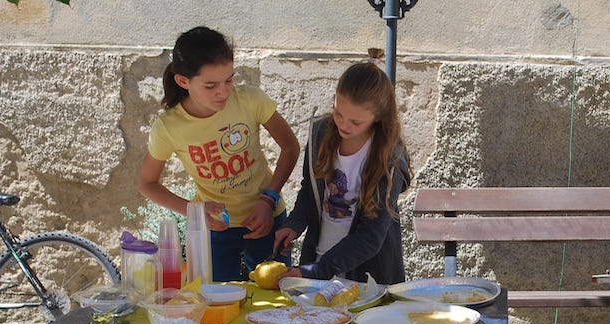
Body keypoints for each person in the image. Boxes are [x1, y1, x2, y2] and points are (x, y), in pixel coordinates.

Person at [138, 26, 299, 281]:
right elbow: (147, 183)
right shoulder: (169, 127)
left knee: (273, 302)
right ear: (183, 81)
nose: (223, 92)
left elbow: (290, 147)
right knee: (217, 304)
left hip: (267, 219)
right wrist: (194, 211)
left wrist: (268, 199)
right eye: (210, 85)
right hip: (216, 230)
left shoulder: (249, 100)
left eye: (229, 80)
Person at [274, 60, 412, 285]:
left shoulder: (390, 158)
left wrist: (317, 270)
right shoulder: (320, 132)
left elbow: (370, 237)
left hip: (368, 280)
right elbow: (310, 190)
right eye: (338, 114)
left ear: (377, 117)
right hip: (317, 267)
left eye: (356, 122)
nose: (344, 125)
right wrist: (294, 224)